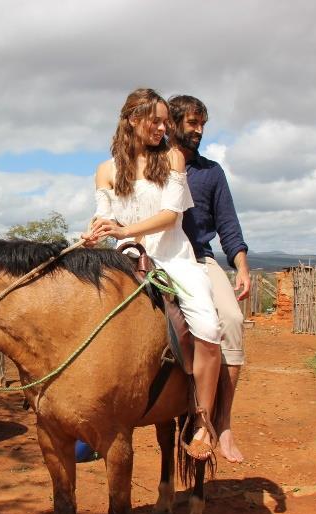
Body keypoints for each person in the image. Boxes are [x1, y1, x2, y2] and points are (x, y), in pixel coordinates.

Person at [82, 88, 222, 460]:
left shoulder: (173, 158)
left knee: (208, 331)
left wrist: (124, 230)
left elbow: (171, 217)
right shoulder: (106, 169)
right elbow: (103, 215)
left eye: (165, 121)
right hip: (125, 260)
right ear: (132, 120)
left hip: (173, 259)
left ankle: (202, 421)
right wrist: (95, 232)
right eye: (155, 120)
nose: (163, 127)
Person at [168, 94, 250, 463]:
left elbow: (229, 226)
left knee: (231, 319)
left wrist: (242, 266)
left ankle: (223, 420)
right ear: (172, 123)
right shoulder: (153, 167)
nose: (199, 131)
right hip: (154, 260)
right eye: (192, 123)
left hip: (200, 259)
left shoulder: (211, 172)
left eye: (203, 124)